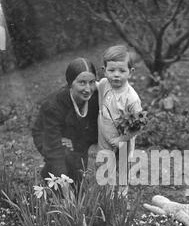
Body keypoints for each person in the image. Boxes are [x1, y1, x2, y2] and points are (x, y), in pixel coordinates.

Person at [32, 57, 99, 186]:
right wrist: (65, 188)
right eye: (82, 83)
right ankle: (50, 176)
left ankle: (74, 180)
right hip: (47, 135)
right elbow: (54, 149)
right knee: (60, 159)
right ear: (70, 83)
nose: (88, 88)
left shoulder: (95, 98)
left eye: (91, 82)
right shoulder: (53, 106)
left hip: (75, 133)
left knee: (78, 171)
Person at [96, 45, 142, 197]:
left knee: (122, 168)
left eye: (122, 71)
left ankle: (122, 196)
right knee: (105, 165)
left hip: (123, 138)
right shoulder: (104, 84)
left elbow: (137, 126)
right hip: (104, 133)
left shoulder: (131, 98)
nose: (116, 75)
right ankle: (107, 197)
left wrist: (121, 139)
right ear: (104, 70)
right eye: (111, 70)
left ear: (130, 72)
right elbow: (93, 88)